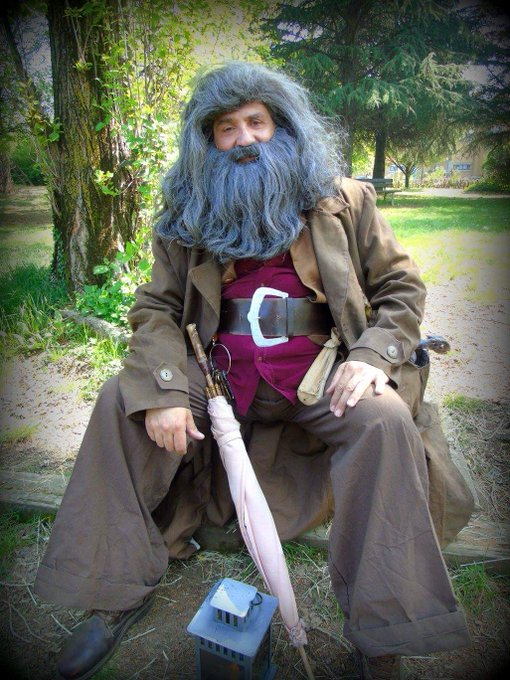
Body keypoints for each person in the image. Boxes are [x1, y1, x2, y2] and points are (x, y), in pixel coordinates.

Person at [33, 61, 473, 680]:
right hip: (219, 375)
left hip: (320, 373)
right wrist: (164, 389)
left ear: (281, 126)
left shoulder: (344, 200)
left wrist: (374, 356)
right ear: (208, 140)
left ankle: (384, 631)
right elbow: (156, 308)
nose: (244, 139)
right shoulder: (187, 213)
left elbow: (401, 288)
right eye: (227, 128)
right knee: (121, 400)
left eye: (256, 122)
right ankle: (111, 593)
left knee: (384, 422)